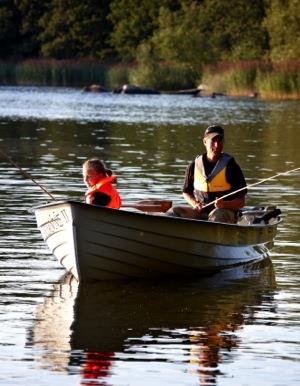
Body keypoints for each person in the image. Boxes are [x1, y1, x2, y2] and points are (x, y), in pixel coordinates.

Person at [169, 125, 247, 223]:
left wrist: (225, 205)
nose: (217, 145)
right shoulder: (194, 165)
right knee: (175, 211)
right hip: (201, 213)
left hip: (225, 214)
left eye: (220, 141)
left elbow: (241, 202)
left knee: (217, 214)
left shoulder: (231, 166)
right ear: (205, 142)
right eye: (213, 141)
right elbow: (186, 192)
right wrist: (195, 204)